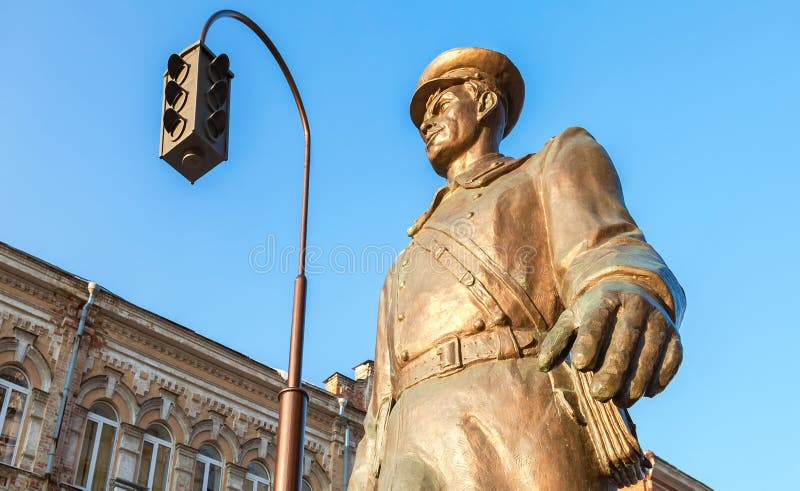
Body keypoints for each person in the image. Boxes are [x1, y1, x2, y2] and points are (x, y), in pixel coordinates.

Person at [349, 47, 685, 490]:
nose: (425, 125)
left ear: (485, 103)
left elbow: (611, 250)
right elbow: (379, 409)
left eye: (441, 106)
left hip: (517, 415)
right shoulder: (403, 264)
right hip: (409, 442)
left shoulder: (548, 166)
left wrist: (625, 288)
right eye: (422, 118)